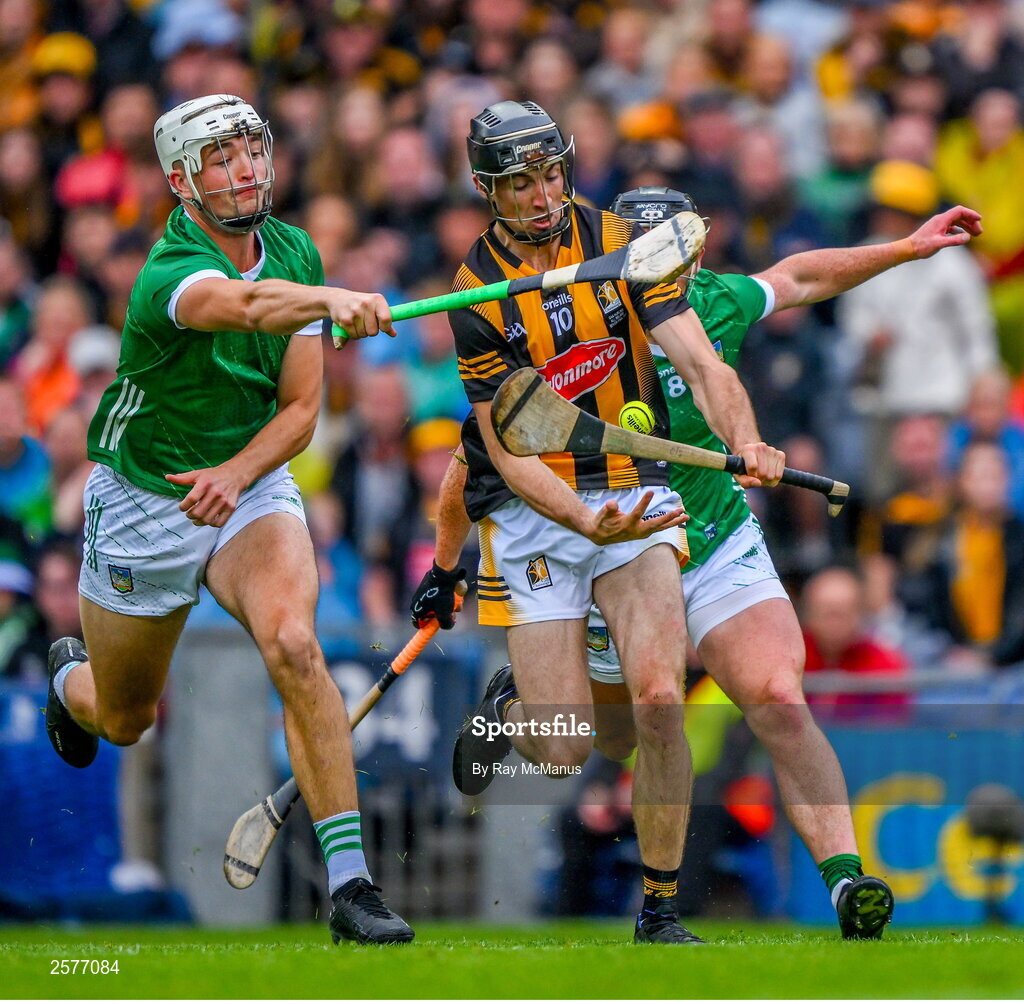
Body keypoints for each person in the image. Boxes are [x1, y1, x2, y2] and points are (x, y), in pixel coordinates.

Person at [416, 184, 983, 939]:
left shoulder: (711, 302)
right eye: (651, 257)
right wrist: (446, 566)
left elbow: (802, 278)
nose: (669, 275)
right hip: (609, 541)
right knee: (598, 745)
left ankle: (846, 883)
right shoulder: (570, 318)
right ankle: (508, 711)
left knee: (776, 695)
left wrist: (905, 249)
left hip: (710, 538)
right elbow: (472, 461)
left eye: (679, 255)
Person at [42, 93, 412, 946]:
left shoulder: (292, 249)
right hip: (145, 500)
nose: (245, 169)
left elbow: (300, 411)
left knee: (295, 643)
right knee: (127, 720)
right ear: (181, 181)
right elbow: (244, 308)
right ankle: (73, 683)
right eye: (220, 157)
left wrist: (239, 473)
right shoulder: (169, 275)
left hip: (248, 484)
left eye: (251, 149)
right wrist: (330, 299)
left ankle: (351, 888)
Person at [438, 100, 788, 945]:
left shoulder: (623, 247)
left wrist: (745, 437)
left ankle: (659, 908)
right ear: (488, 190)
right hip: (539, 508)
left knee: (661, 697)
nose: (543, 195)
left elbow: (701, 362)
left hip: (634, 483)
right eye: (520, 183)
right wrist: (579, 519)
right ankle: (513, 709)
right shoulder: (472, 292)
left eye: (552, 173)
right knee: (565, 749)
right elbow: (507, 449)